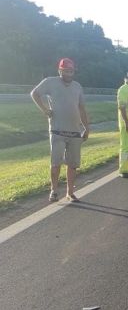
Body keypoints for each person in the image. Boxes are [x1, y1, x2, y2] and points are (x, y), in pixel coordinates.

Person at [30, 58, 90, 202]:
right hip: (57, 131)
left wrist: (86, 128)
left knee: (73, 164)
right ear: (60, 71)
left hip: (75, 131)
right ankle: (54, 191)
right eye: (66, 71)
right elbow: (34, 94)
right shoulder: (50, 82)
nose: (69, 74)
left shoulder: (77, 86)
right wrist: (45, 109)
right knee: (55, 163)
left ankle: (70, 192)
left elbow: (81, 108)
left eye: (71, 71)